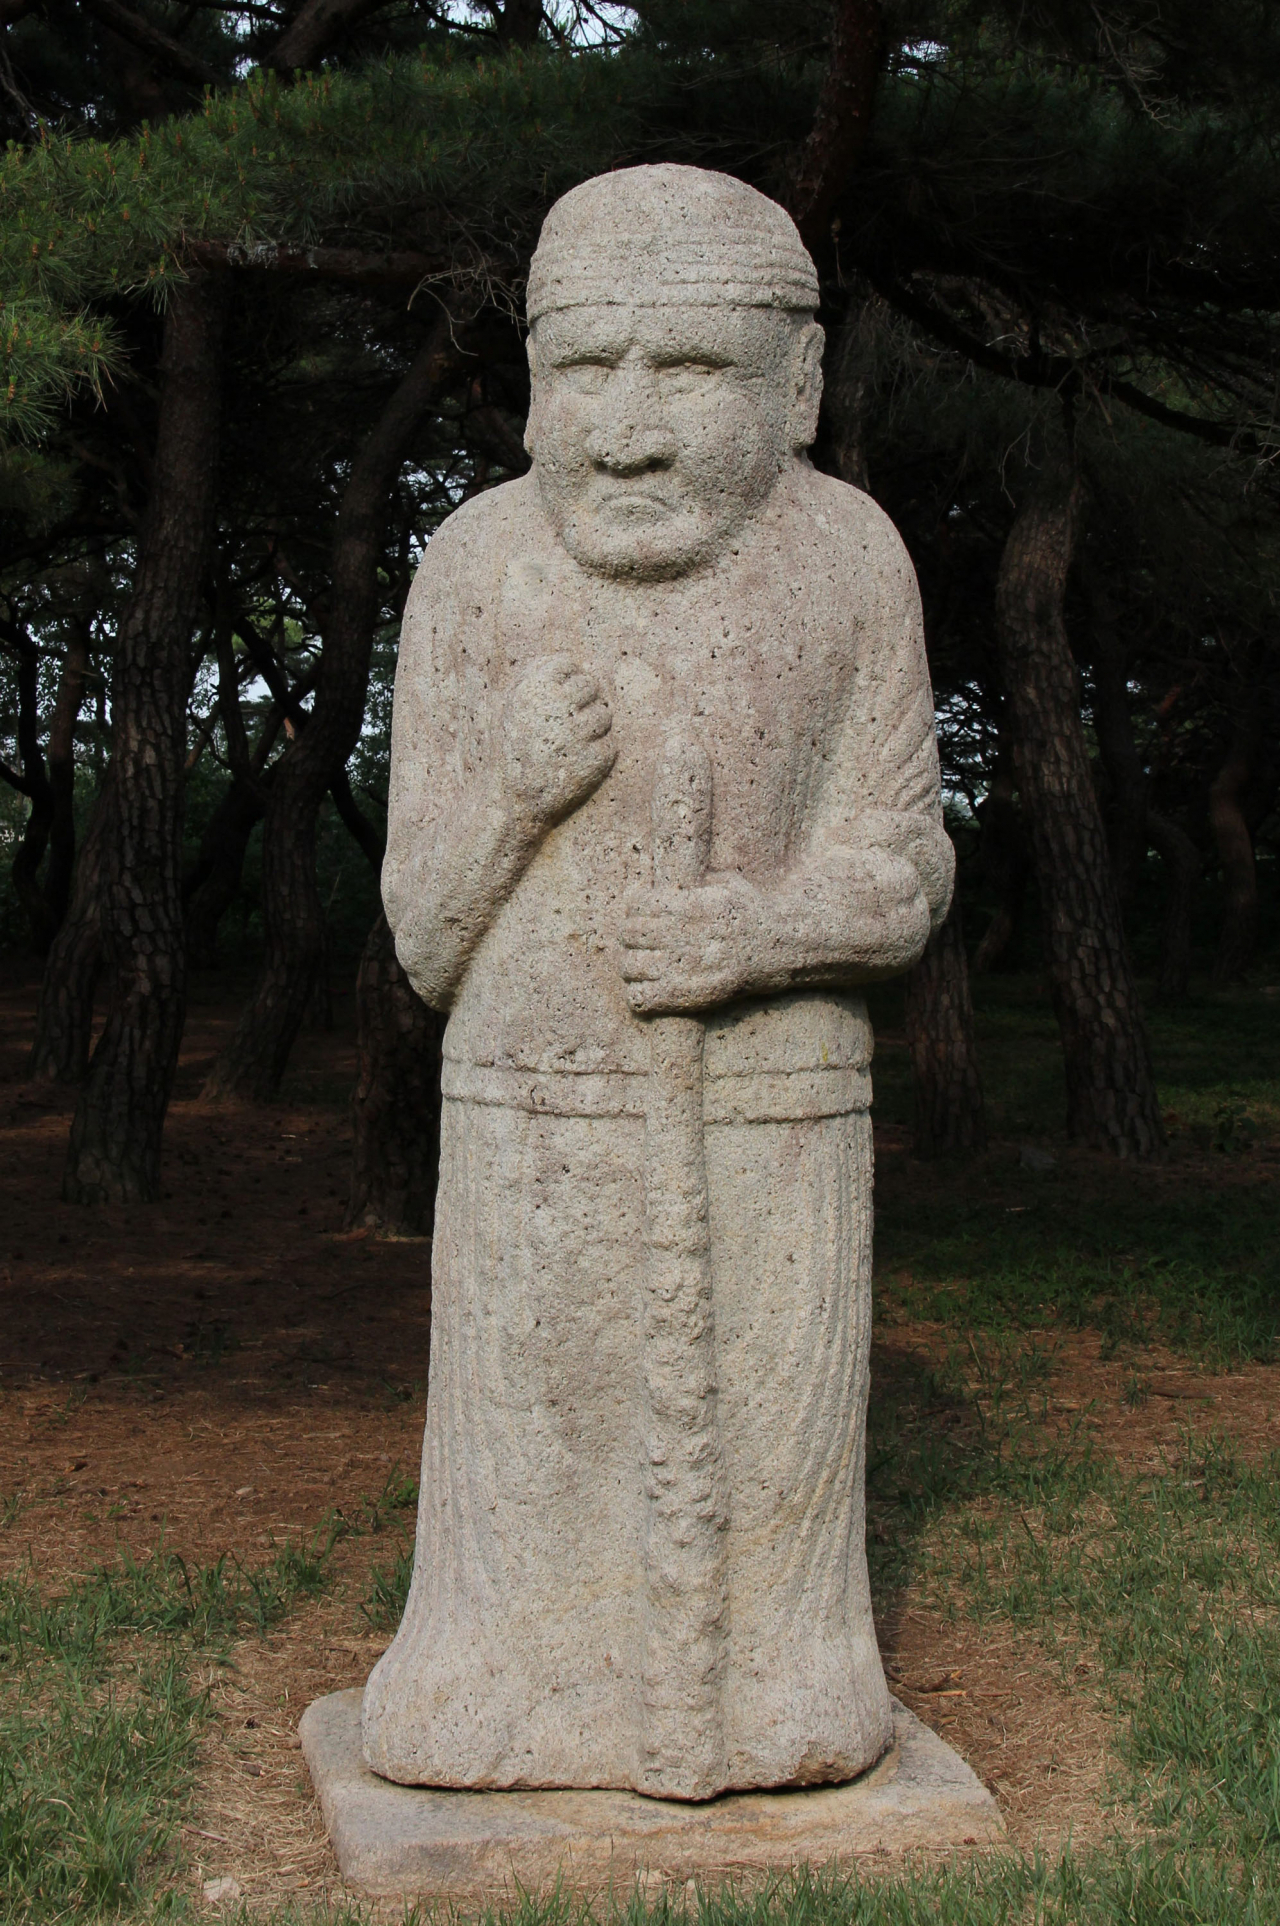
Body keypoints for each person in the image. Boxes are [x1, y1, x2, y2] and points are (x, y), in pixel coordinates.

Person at [362, 164, 953, 1799]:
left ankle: (778, 1674)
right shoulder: (475, 572)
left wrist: (759, 934)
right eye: (582, 370)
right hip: (529, 1110)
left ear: (801, 387)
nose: (625, 427)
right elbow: (419, 931)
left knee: (764, 1438)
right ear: (530, 383)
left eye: (687, 371)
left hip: (774, 1112)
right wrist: (517, 796)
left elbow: (906, 866)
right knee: (535, 1426)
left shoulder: (849, 563)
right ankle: (503, 1667)